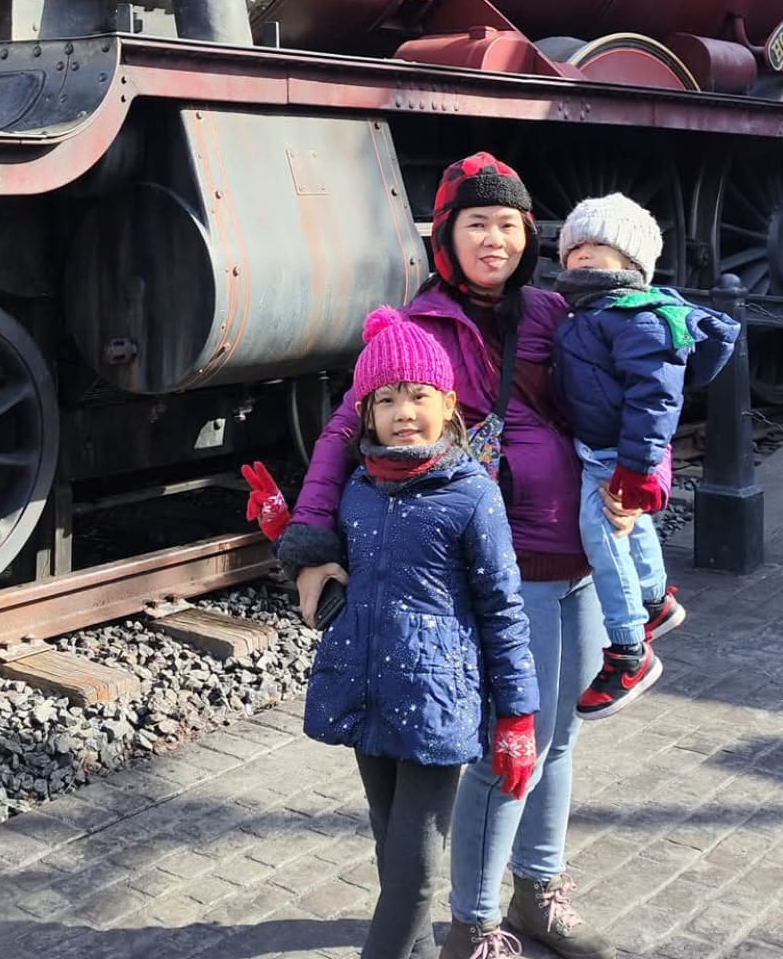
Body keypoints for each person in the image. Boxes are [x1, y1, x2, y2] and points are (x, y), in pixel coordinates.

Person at [278, 153, 616, 959]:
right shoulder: (417, 332)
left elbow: (611, 399)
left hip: (577, 554)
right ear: (447, 238)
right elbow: (339, 436)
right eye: (476, 224)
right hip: (506, 564)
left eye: (508, 224)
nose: (494, 240)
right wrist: (311, 539)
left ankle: (538, 890)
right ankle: (473, 922)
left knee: (555, 739)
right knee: (506, 747)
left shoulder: (549, 314)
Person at [300, 305, 539, 959]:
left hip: (437, 708)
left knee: (411, 877)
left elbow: (503, 609)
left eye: (418, 395)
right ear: (367, 414)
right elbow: (338, 575)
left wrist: (517, 716)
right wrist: (281, 533)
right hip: (368, 695)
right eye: (386, 398)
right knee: (394, 859)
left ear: (448, 403)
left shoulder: (471, 495)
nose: (403, 410)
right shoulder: (357, 489)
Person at [552, 193, 739, 719]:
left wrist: (636, 469)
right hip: (601, 446)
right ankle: (656, 600)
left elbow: (655, 398)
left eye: (600, 245)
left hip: (615, 454)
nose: (584, 254)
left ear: (633, 263)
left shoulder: (637, 315)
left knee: (603, 538)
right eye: (576, 246)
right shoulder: (592, 309)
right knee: (629, 533)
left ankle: (628, 651)